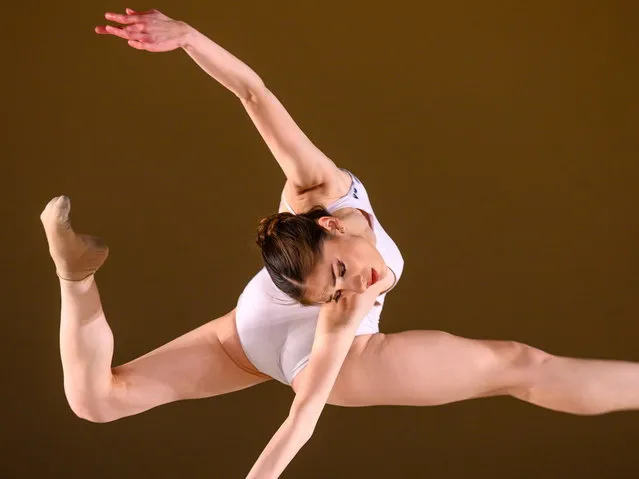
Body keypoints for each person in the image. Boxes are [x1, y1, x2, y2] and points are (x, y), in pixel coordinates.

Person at [41, 8, 639, 478]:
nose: (356, 286)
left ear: (329, 226)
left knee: (99, 400)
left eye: (342, 274)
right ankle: (75, 275)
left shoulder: (320, 190)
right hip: (297, 353)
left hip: (245, 336)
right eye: (334, 291)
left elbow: (253, 94)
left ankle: (76, 278)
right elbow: (303, 417)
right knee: (519, 367)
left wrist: (189, 36)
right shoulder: (341, 308)